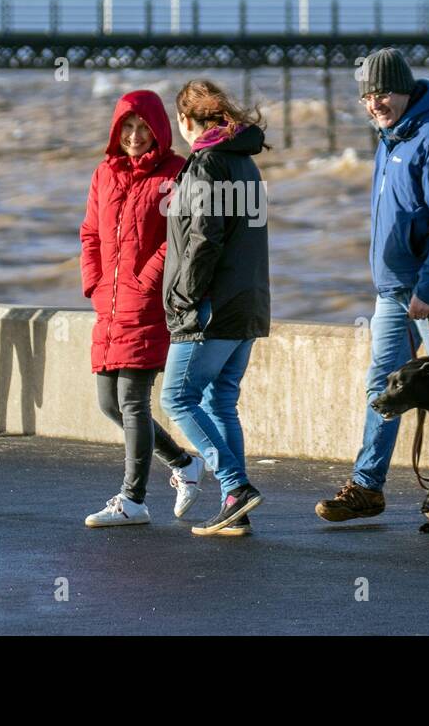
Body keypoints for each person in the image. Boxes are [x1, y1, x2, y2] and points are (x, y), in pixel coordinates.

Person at [315, 48, 429, 522]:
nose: (375, 103)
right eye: (367, 96)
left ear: (406, 90)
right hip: (392, 291)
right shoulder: (389, 139)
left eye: (383, 93)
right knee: (382, 387)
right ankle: (367, 487)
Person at [80, 90, 205, 527]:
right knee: (109, 404)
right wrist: (94, 282)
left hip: (147, 302)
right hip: (109, 304)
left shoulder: (176, 172)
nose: (134, 136)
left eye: (143, 128)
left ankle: (132, 500)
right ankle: (185, 464)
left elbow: (179, 238)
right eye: (127, 127)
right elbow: (90, 232)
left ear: (158, 130)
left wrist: (146, 281)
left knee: (133, 402)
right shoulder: (104, 173)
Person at [159, 79, 271, 537]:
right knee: (220, 400)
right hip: (247, 303)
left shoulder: (207, 163)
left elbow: (205, 237)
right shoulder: (245, 162)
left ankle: (235, 486)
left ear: (185, 119)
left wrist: (184, 296)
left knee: (176, 397)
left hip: (212, 307)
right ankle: (234, 506)